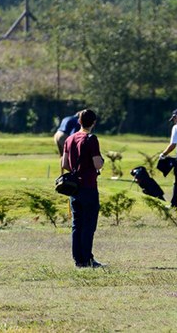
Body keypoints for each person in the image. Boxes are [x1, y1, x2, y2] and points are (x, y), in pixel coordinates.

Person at [61, 109, 105, 268]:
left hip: (74, 188)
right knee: (89, 225)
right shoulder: (91, 139)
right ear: (94, 123)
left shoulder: (70, 139)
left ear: (79, 121)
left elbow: (64, 164)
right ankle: (87, 258)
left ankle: (78, 259)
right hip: (89, 186)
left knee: (76, 224)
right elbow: (97, 164)